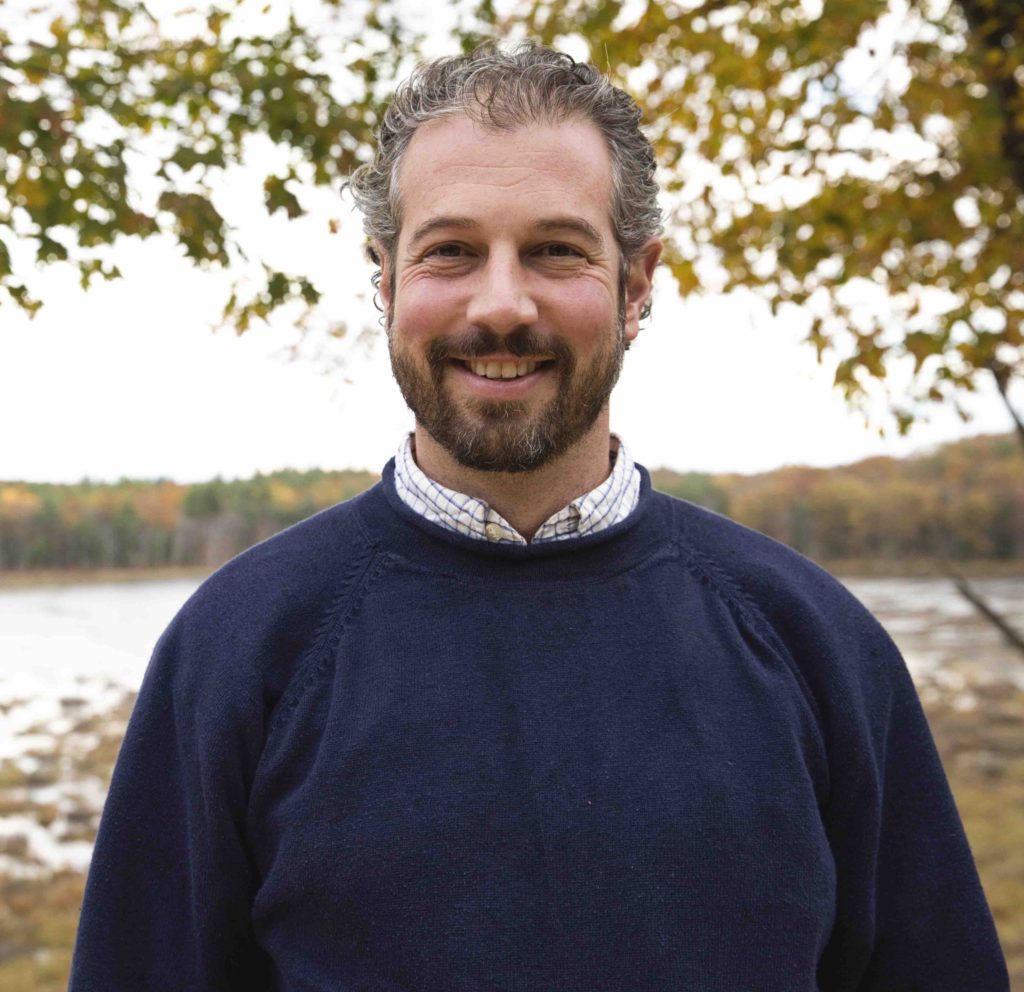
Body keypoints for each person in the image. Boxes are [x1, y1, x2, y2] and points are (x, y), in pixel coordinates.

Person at [70, 42, 1008, 991]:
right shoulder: (238, 650)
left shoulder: (817, 643)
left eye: (557, 250)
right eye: (452, 251)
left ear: (637, 284)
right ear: (386, 280)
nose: (504, 303)